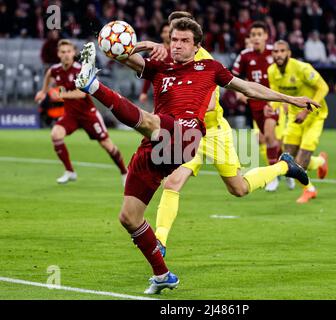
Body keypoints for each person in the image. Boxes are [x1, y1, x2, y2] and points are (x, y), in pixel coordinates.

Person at [75, 18, 320, 294]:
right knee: (129, 217)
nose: (177, 45)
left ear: (197, 46)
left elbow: (249, 88)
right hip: (156, 143)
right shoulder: (160, 65)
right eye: (173, 40)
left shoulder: (210, 67)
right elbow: (119, 53)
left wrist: (291, 99)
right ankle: (162, 274)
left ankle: (92, 87)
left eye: (183, 41)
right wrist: (147, 44)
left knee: (150, 122)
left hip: (187, 136)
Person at [34, 39, 128, 185]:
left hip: (88, 115)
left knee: (107, 145)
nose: (66, 55)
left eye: (69, 52)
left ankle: (124, 172)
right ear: (58, 54)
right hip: (70, 115)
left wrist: (59, 94)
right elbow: (48, 76)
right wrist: (43, 91)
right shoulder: (55, 70)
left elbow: (82, 94)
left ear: (74, 53)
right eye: (63, 52)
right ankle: (70, 172)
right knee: (55, 134)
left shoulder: (80, 70)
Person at [268, 40, 329, 204]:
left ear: (289, 53)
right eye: (275, 51)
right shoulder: (272, 71)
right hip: (294, 119)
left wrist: (306, 110)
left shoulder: (303, 68)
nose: (278, 54)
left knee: (301, 162)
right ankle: (321, 162)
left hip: (314, 116)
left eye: (282, 51)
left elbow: (323, 87)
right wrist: (271, 107)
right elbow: (275, 94)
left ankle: (309, 190)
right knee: (288, 160)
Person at [232, 21, 283, 192]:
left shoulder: (274, 53)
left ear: (266, 36)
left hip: (272, 100)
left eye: (259, 34)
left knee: (268, 136)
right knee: (269, 140)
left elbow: (286, 71)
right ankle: (286, 166)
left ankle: (273, 176)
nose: (256, 38)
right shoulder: (245, 55)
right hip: (255, 103)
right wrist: (239, 93)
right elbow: (233, 77)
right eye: (253, 35)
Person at [138, 22, 171, 104]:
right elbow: (150, 71)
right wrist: (144, 92)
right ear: (161, 34)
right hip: (160, 93)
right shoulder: (157, 50)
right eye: (165, 32)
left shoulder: (179, 51)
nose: (168, 34)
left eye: (170, 32)